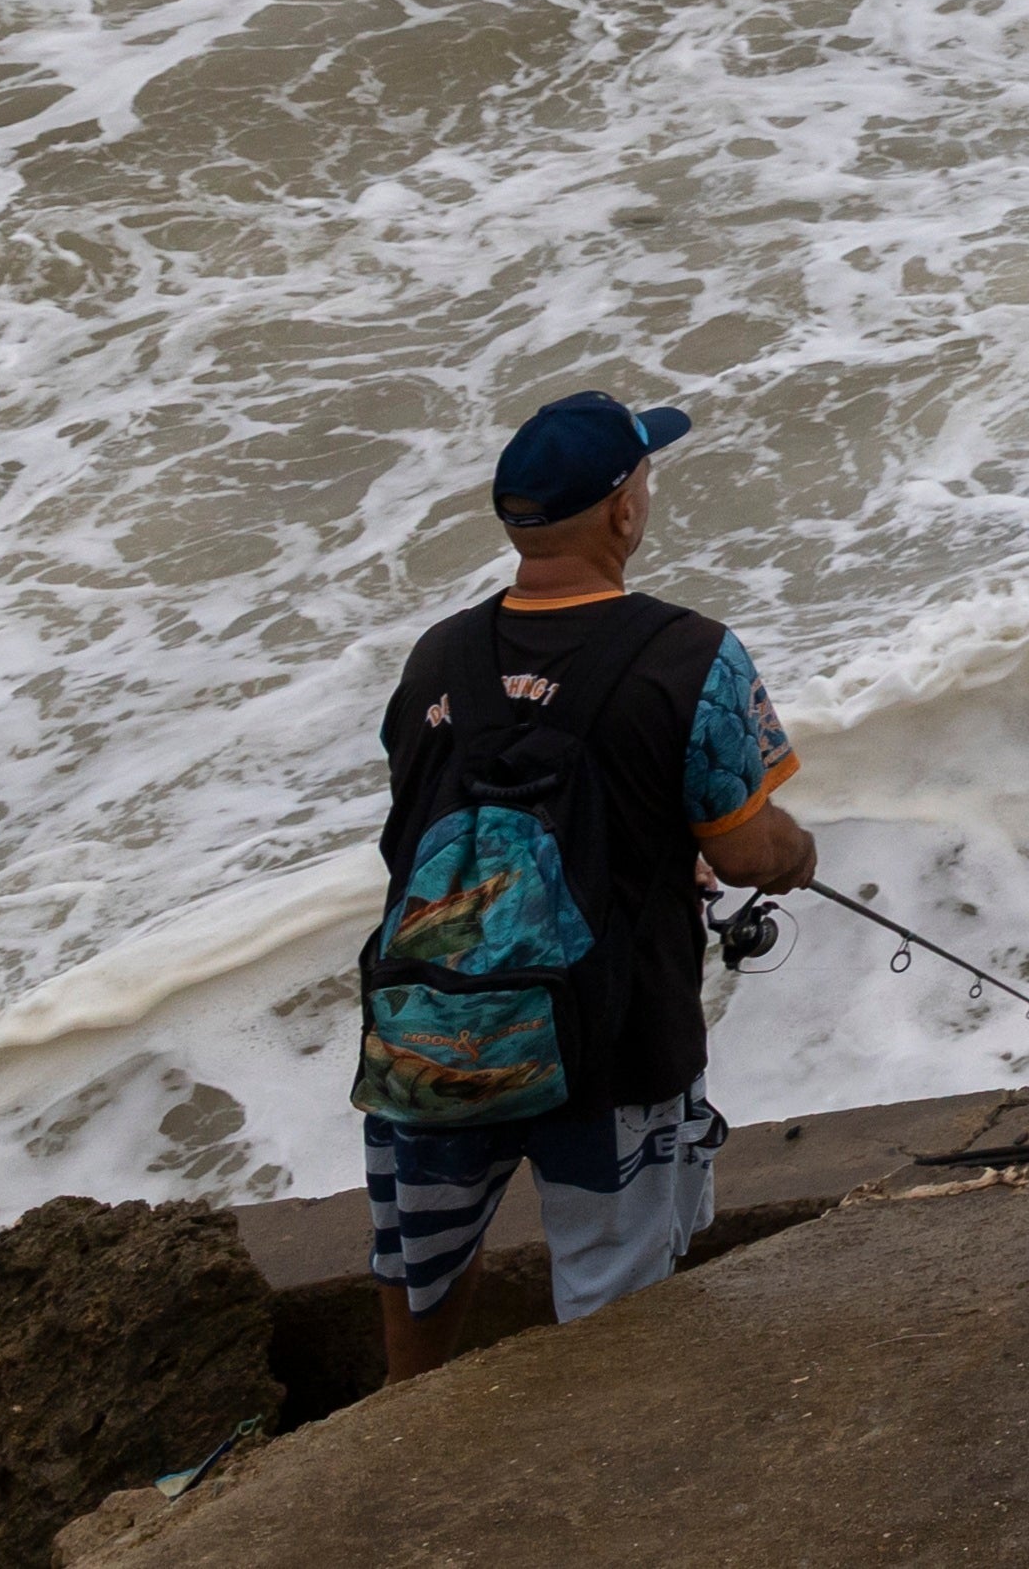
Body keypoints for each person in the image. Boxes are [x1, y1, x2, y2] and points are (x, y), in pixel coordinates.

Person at [363, 389, 815, 1375]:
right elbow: (746, 850)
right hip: (613, 1042)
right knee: (616, 1326)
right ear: (622, 509)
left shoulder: (437, 654)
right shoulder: (691, 657)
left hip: (432, 1027)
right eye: (644, 473)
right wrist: (799, 856)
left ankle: (397, 1445)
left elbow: (425, 820)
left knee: (419, 1272)